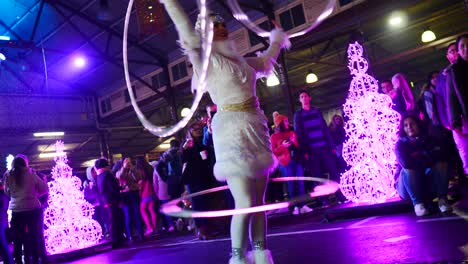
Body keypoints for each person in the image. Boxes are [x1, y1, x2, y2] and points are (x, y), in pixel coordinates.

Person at [160, 1, 290, 263]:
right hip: (231, 132)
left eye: (223, 26)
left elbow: (266, 62)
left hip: (256, 127)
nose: (221, 30)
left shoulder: (241, 61)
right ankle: (238, 257)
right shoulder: (205, 62)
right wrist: (170, 3)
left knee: (259, 202)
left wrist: (276, 38)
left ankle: (261, 254)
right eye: (214, 27)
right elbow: (186, 33)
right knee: (244, 201)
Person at [395, 115, 451, 216]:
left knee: (442, 164)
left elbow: (443, 155)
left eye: (412, 124)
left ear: (418, 125)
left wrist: (419, 158)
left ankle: (442, 200)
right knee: (409, 169)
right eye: (406, 125)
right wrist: (427, 158)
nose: (409, 127)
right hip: (406, 188)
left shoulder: (430, 140)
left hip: (426, 182)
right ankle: (418, 204)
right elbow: (406, 163)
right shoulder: (400, 144)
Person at [4, 157, 48, 264]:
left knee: (18, 239)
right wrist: (35, 195)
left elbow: (7, 192)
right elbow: (45, 188)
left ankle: (18, 261)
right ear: (25, 164)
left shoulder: (8, 176)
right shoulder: (31, 174)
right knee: (34, 237)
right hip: (32, 209)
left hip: (17, 210)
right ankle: (35, 261)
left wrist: (15, 197)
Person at [270, 112, 312, 215]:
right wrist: (282, 146)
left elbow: (297, 147)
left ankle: (302, 205)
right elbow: (273, 151)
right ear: (279, 123)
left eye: (287, 121)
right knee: (291, 184)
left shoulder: (292, 132)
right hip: (285, 163)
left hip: (296, 160)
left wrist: (294, 142)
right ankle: (294, 207)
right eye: (285, 121)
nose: (287, 122)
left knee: (301, 183)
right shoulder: (274, 136)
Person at [445, 34, 468, 176]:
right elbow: (452, 98)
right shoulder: (453, 71)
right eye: (462, 46)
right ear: (459, 51)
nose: (466, 49)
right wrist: (455, 123)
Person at [95, 158, 124, 249]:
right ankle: (117, 241)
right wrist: (118, 198)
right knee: (115, 221)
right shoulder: (108, 175)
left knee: (111, 221)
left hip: (105, 202)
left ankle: (114, 240)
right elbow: (113, 189)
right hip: (112, 201)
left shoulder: (99, 177)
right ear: (105, 166)